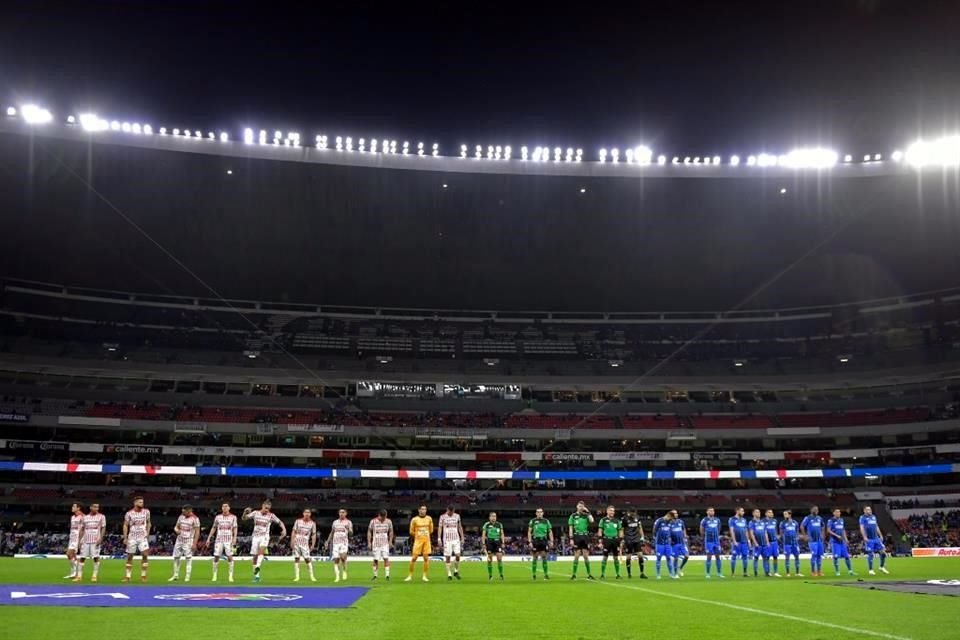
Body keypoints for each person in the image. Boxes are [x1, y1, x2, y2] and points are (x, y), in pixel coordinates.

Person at [243, 501, 287, 583]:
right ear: (262, 506)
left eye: (268, 509)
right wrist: (245, 512)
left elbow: (280, 522)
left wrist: (284, 529)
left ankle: (258, 567)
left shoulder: (271, 515)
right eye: (266, 508)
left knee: (261, 552)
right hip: (255, 537)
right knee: (254, 557)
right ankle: (256, 576)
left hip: (264, 536)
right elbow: (244, 518)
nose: (267, 510)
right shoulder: (255, 513)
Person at [122, 496, 151, 583]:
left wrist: (148, 533)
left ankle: (143, 576)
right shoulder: (129, 513)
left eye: (142, 502)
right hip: (132, 537)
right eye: (140, 502)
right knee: (130, 556)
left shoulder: (146, 512)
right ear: (135, 503)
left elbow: (149, 523)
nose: (142, 504)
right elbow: (125, 525)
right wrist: (125, 537)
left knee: (145, 555)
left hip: (142, 537)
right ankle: (128, 576)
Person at [206, 502, 238, 582]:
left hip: (229, 540)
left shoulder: (233, 517)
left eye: (226, 506)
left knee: (230, 556)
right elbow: (214, 527)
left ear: (229, 508)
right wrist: (209, 538)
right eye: (223, 506)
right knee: (216, 556)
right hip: (219, 540)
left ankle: (230, 576)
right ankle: (214, 575)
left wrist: (234, 538)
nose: (225, 508)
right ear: (221, 508)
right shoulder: (218, 517)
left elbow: (235, 528)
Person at [74, 503, 105, 582]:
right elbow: (82, 529)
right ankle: (79, 576)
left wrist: (101, 538)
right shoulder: (85, 518)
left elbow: (103, 528)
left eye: (97, 507)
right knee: (82, 557)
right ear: (90, 507)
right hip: (85, 540)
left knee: (96, 557)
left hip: (95, 540)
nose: (96, 508)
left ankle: (94, 576)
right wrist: (79, 540)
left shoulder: (101, 517)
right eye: (95, 507)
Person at [169, 505, 200, 582]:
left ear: (189, 511)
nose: (182, 513)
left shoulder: (195, 519)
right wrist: (176, 530)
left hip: (188, 541)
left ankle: (187, 576)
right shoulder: (181, 517)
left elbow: (197, 532)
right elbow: (176, 527)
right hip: (179, 540)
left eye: (184, 511)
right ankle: (175, 575)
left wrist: (194, 543)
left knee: (188, 559)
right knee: (176, 558)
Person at [567, 501, 595, 580]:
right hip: (577, 536)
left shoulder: (586, 515)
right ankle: (574, 574)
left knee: (586, 556)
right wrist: (571, 538)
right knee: (577, 556)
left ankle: (589, 574)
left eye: (582, 506)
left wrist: (588, 512)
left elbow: (592, 521)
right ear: (577, 507)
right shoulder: (573, 516)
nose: (581, 507)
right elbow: (571, 528)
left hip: (585, 536)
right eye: (579, 506)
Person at [405, 504, 433, 582]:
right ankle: (410, 575)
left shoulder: (429, 519)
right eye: (422, 509)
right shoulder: (414, 520)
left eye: (425, 509)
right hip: (418, 541)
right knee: (414, 558)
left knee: (426, 558)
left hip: (426, 541)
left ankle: (424, 576)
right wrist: (418, 535)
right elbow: (411, 531)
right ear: (419, 510)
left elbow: (431, 530)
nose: (424, 511)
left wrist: (425, 534)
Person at [324, 508, 353, 583]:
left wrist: (349, 529)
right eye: (340, 512)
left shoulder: (348, 522)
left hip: (344, 542)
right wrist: (327, 541)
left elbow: (351, 533)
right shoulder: (335, 522)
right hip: (335, 543)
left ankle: (344, 571)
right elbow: (332, 532)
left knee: (343, 557)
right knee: (336, 560)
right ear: (338, 513)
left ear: (346, 513)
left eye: (343, 512)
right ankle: (337, 576)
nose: (341, 513)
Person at [859, 506, 889, 576]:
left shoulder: (873, 516)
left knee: (883, 553)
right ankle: (871, 570)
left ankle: (881, 567)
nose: (869, 511)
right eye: (867, 510)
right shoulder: (862, 518)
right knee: (871, 554)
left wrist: (881, 535)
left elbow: (876, 526)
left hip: (876, 538)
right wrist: (864, 537)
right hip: (869, 539)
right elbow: (862, 528)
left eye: (870, 509)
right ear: (864, 511)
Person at [438, 505, 464, 581]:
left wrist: (462, 537)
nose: (451, 513)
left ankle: (455, 570)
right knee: (448, 557)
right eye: (450, 511)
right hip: (447, 540)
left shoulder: (457, 516)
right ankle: (449, 574)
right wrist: (439, 539)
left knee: (458, 555)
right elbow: (440, 527)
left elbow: (459, 527)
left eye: (452, 511)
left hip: (456, 539)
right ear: (447, 510)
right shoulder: (442, 517)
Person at [291, 509, 317, 582]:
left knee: (307, 559)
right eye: (305, 512)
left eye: (308, 512)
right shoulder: (298, 521)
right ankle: (297, 577)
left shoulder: (312, 523)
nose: (307, 514)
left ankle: (312, 576)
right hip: (297, 542)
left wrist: (313, 544)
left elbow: (314, 534)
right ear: (303, 513)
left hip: (305, 543)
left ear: (310, 514)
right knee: (296, 559)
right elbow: (294, 531)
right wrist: (292, 541)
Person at [368, 509, 395, 581]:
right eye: (383, 517)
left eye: (385, 517)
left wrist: (390, 542)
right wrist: (369, 542)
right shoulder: (373, 521)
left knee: (386, 558)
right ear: (379, 515)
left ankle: (387, 576)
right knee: (376, 559)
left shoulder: (388, 521)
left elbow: (391, 531)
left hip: (385, 543)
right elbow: (369, 531)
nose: (384, 519)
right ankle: (375, 575)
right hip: (376, 543)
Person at [620, 507, 647, 579]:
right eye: (632, 512)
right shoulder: (624, 519)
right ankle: (629, 574)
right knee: (628, 557)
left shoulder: (637, 518)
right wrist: (622, 538)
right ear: (629, 512)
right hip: (628, 539)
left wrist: (642, 537)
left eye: (634, 512)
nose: (633, 513)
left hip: (636, 539)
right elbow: (622, 529)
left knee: (640, 555)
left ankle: (642, 573)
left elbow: (640, 527)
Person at [827, 508, 855, 576]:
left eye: (839, 512)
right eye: (836, 512)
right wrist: (836, 535)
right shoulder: (831, 520)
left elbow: (843, 530)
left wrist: (846, 539)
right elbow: (828, 530)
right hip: (835, 542)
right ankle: (837, 572)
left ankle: (850, 571)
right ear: (833, 513)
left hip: (842, 542)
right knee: (836, 557)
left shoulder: (841, 520)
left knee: (847, 556)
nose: (838, 513)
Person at [527, 507, 553, 580]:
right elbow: (529, 532)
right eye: (538, 512)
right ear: (536, 513)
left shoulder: (546, 521)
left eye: (540, 512)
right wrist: (530, 541)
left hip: (544, 540)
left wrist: (551, 541)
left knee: (544, 557)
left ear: (543, 513)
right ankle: (534, 575)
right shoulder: (533, 521)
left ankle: (546, 574)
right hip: (536, 540)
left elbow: (550, 531)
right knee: (535, 557)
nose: (539, 513)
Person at [598, 505, 623, 579]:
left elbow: (620, 531)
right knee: (605, 557)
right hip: (606, 540)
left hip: (615, 540)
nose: (612, 512)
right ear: (607, 511)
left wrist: (621, 540)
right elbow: (600, 530)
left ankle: (618, 574)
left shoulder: (617, 521)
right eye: (611, 510)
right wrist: (600, 541)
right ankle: (602, 574)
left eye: (613, 511)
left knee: (616, 558)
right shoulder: (603, 520)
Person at [800, 506, 826, 577]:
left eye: (817, 509)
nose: (816, 510)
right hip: (812, 540)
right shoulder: (807, 518)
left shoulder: (819, 518)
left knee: (819, 555)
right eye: (814, 509)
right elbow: (802, 526)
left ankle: (819, 571)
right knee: (814, 555)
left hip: (819, 540)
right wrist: (805, 536)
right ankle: (813, 571)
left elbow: (823, 526)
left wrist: (823, 535)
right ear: (811, 510)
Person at [700, 507, 724, 578]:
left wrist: (717, 535)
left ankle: (719, 573)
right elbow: (701, 529)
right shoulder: (704, 520)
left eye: (713, 511)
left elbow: (719, 528)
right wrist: (704, 536)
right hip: (708, 541)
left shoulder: (717, 520)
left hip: (716, 541)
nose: (712, 512)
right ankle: (708, 573)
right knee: (709, 557)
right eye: (710, 511)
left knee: (718, 557)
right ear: (707, 512)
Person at [481, 511, 505, 581]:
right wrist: (483, 544)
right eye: (492, 516)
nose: (494, 518)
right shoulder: (486, 525)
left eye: (495, 516)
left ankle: (501, 574)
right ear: (489, 517)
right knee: (489, 560)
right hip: (489, 543)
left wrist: (503, 542)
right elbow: (483, 535)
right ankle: (490, 575)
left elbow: (502, 534)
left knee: (499, 559)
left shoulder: (499, 524)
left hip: (497, 542)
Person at [727, 507, 751, 577]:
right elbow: (731, 530)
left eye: (743, 511)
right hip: (737, 541)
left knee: (745, 556)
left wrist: (748, 540)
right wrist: (734, 541)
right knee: (734, 557)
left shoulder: (744, 520)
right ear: (737, 511)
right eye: (742, 511)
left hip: (744, 542)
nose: (743, 512)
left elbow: (746, 530)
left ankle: (745, 572)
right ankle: (733, 573)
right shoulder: (732, 519)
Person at [653, 510, 675, 579]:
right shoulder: (659, 521)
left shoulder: (670, 522)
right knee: (659, 558)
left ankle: (671, 574)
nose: (671, 519)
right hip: (659, 543)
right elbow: (654, 530)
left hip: (667, 544)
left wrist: (669, 538)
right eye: (671, 518)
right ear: (668, 515)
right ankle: (658, 574)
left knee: (669, 558)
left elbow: (669, 531)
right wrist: (655, 538)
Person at [64, 503, 84, 580]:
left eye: (74, 506)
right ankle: (74, 573)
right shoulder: (72, 517)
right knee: (72, 556)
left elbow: (83, 529)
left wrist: (80, 540)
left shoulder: (82, 517)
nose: (72, 508)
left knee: (69, 553)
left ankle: (75, 573)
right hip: (72, 537)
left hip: (77, 538)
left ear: (78, 508)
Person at [780, 510, 802, 577]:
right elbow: (781, 533)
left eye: (786, 514)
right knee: (787, 557)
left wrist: (797, 537)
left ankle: (797, 572)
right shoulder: (782, 523)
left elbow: (797, 531)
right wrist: (784, 539)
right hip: (787, 543)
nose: (785, 515)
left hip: (795, 543)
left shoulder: (795, 523)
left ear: (789, 515)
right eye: (784, 514)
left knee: (797, 557)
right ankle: (788, 573)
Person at [669, 510, 689, 577]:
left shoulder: (681, 521)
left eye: (677, 513)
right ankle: (675, 573)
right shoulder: (669, 523)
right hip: (674, 543)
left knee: (686, 556)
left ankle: (680, 567)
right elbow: (668, 533)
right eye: (674, 513)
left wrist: (685, 536)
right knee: (676, 558)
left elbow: (683, 529)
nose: (676, 514)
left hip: (682, 542)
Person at [763, 509, 782, 577]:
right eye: (769, 512)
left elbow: (775, 530)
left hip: (774, 542)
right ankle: (767, 572)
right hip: (768, 542)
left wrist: (777, 536)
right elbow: (763, 532)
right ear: (766, 514)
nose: (771, 513)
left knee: (775, 557)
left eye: (772, 512)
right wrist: (766, 541)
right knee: (767, 557)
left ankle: (775, 572)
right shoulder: (763, 522)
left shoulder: (775, 521)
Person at [748, 508, 765, 577]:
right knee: (756, 558)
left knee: (765, 558)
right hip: (757, 544)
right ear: (753, 513)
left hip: (763, 543)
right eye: (757, 512)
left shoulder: (762, 522)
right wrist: (755, 543)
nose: (759, 513)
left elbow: (765, 532)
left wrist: (767, 542)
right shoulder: (751, 522)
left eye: (759, 512)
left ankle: (766, 572)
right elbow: (751, 533)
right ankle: (755, 572)